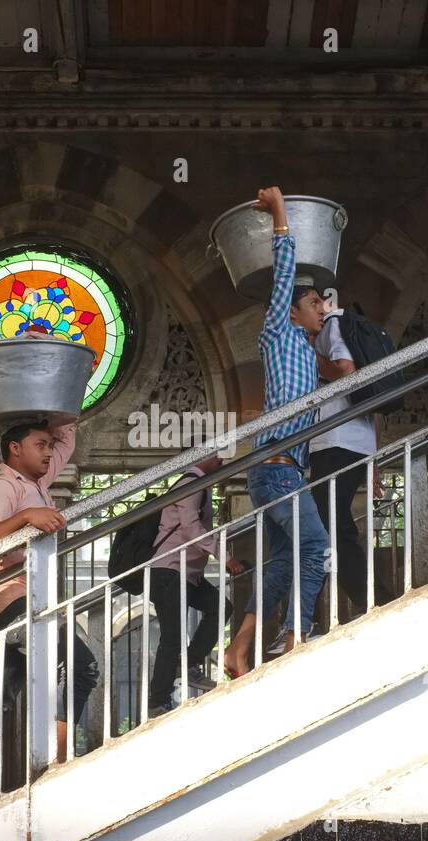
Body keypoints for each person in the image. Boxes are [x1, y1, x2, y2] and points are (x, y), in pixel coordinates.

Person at [0, 404, 99, 811]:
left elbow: (68, 434)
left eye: (48, 445)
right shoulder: (3, 488)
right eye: (39, 444)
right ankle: (58, 759)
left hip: (30, 601)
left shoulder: (39, 481)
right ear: (14, 448)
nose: (48, 451)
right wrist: (27, 516)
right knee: (82, 666)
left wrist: (62, 390)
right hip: (12, 601)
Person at [223, 186, 331, 678]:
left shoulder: (308, 355)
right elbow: (285, 272)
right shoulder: (279, 331)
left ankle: (238, 648)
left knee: (287, 559)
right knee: (317, 548)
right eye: (314, 302)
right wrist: (280, 211)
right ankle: (295, 635)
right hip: (277, 469)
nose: (322, 308)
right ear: (290, 309)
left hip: (285, 471)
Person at [308, 304, 396, 623]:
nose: (316, 310)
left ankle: (372, 597)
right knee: (329, 522)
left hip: (335, 441)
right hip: (352, 443)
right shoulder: (347, 328)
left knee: (329, 523)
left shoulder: (332, 324)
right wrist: (372, 460)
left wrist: (311, 356)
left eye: (317, 302)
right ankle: (363, 598)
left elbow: (344, 370)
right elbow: (372, 408)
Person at [146, 452, 242, 717]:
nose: (221, 461)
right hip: (169, 571)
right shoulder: (191, 483)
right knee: (172, 637)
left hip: (187, 574)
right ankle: (157, 701)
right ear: (204, 455)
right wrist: (225, 557)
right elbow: (190, 528)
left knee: (220, 606)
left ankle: (189, 663)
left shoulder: (199, 484)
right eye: (218, 456)